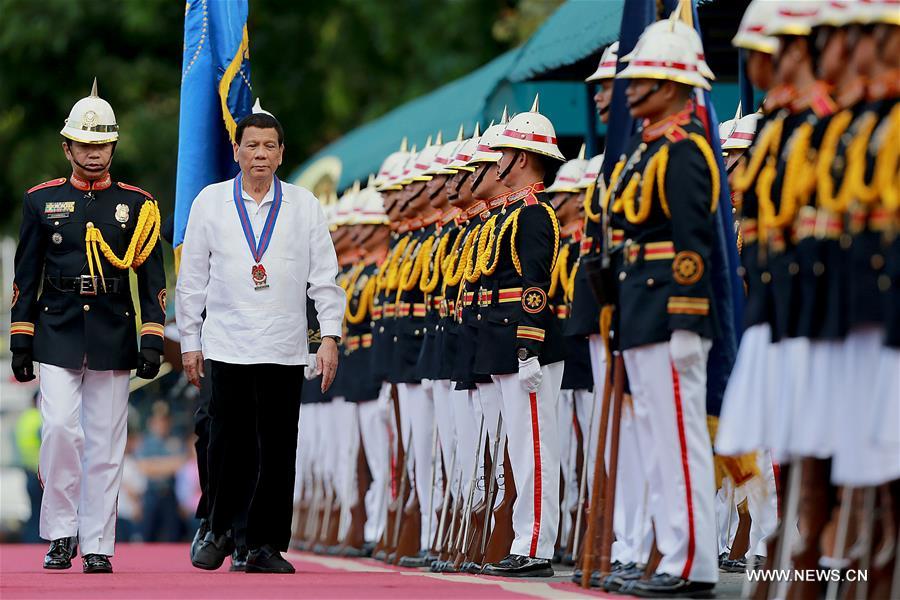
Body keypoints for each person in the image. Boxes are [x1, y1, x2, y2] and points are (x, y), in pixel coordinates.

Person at [176, 107, 346, 574]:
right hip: (227, 342)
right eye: (252, 145)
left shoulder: (304, 204)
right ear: (236, 151)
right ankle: (219, 529)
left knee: (277, 445)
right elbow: (191, 280)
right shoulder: (210, 202)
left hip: (285, 344)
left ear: (281, 153)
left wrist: (328, 336)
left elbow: (325, 279)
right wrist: (189, 340)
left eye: (270, 146)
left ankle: (264, 544)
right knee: (226, 441)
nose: (260, 154)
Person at [10, 79, 166, 573]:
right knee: (58, 430)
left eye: (102, 145)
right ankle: (60, 533)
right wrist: (21, 336)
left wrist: (152, 336)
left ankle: (98, 541)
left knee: (105, 440)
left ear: (113, 146)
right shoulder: (41, 201)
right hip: (56, 329)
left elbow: (152, 280)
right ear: (67, 146)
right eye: (85, 144)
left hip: (112, 328)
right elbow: (24, 275)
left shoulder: (138, 205)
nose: (94, 154)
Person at [609, 14, 720, 596]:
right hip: (642, 314)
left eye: (643, 78)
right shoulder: (645, 153)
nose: (630, 89)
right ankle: (668, 553)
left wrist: (685, 318)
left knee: (679, 441)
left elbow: (691, 243)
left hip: (670, 313)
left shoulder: (683, 153)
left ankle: (693, 563)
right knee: (657, 444)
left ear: (673, 85)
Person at [477, 95, 567, 578]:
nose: (498, 160)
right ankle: (524, 539)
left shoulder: (534, 214)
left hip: (525, 347)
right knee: (522, 450)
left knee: (535, 451)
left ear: (524, 158)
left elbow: (535, 287)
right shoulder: (510, 213)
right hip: (508, 346)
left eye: (506, 151)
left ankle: (535, 546)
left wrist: (527, 348)